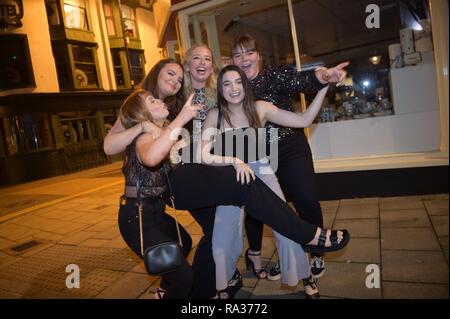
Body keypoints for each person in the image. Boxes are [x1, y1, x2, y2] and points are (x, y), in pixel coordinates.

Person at [200, 65, 328, 298]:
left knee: (286, 226)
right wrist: (234, 161)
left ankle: (305, 275)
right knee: (222, 238)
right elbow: (203, 154)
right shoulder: (214, 115)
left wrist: (323, 88)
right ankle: (224, 283)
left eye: (238, 82)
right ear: (220, 89)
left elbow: (304, 119)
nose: (233, 88)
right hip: (231, 177)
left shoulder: (260, 108)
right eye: (227, 84)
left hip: (262, 173)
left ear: (245, 85)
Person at [232, 35, 348, 280]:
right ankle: (290, 258)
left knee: (306, 201)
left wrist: (324, 76)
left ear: (258, 55)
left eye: (248, 53)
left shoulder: (275, 74)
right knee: (267, 209)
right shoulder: (235, 87)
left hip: (289, 146)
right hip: (260, 154)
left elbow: (301, 81)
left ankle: (317, 251)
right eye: (237, 55)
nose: (244, 59)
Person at [116, 59, 201, 299]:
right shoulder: (144, 134)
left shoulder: (160, 132)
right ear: (143, 114)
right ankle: (170, 289)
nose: (159, 100)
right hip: (136, 216)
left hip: (154, 211)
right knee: (184, 277)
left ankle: (163, 290)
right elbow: (152, 157)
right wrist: (182, 117)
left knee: (182, 242)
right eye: (152, 101)